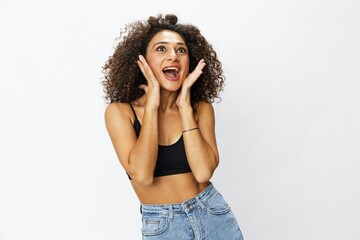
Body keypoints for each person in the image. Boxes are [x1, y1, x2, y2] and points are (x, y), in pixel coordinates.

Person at [102, 13, 244, 240]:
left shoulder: (200, 109)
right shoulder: (120, 113)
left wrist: (185, 106)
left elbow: (203, 171)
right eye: (161, 49)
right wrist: (152, 105)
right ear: (143, 62)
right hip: (164, 227)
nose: (173, 56)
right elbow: (142, 175)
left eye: (181, 50)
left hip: (213, 214)